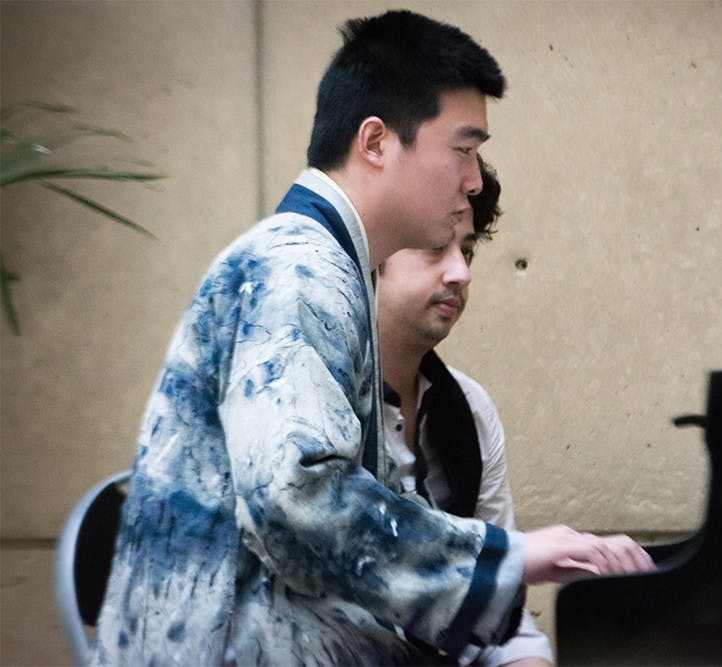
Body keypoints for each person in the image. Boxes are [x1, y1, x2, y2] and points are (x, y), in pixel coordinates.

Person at [90, 9, 654, 666]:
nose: (473, 180)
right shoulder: (300, 269)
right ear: (377, 142)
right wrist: (512, 554)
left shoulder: (314, 262)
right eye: (463, 149)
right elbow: (298, 501)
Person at [379, 157, 551, 667]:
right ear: (373, 251)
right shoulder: (322, 404)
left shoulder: (470, 410)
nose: (460, 273)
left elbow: (499, 604)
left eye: (467, 251)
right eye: (436, 246)